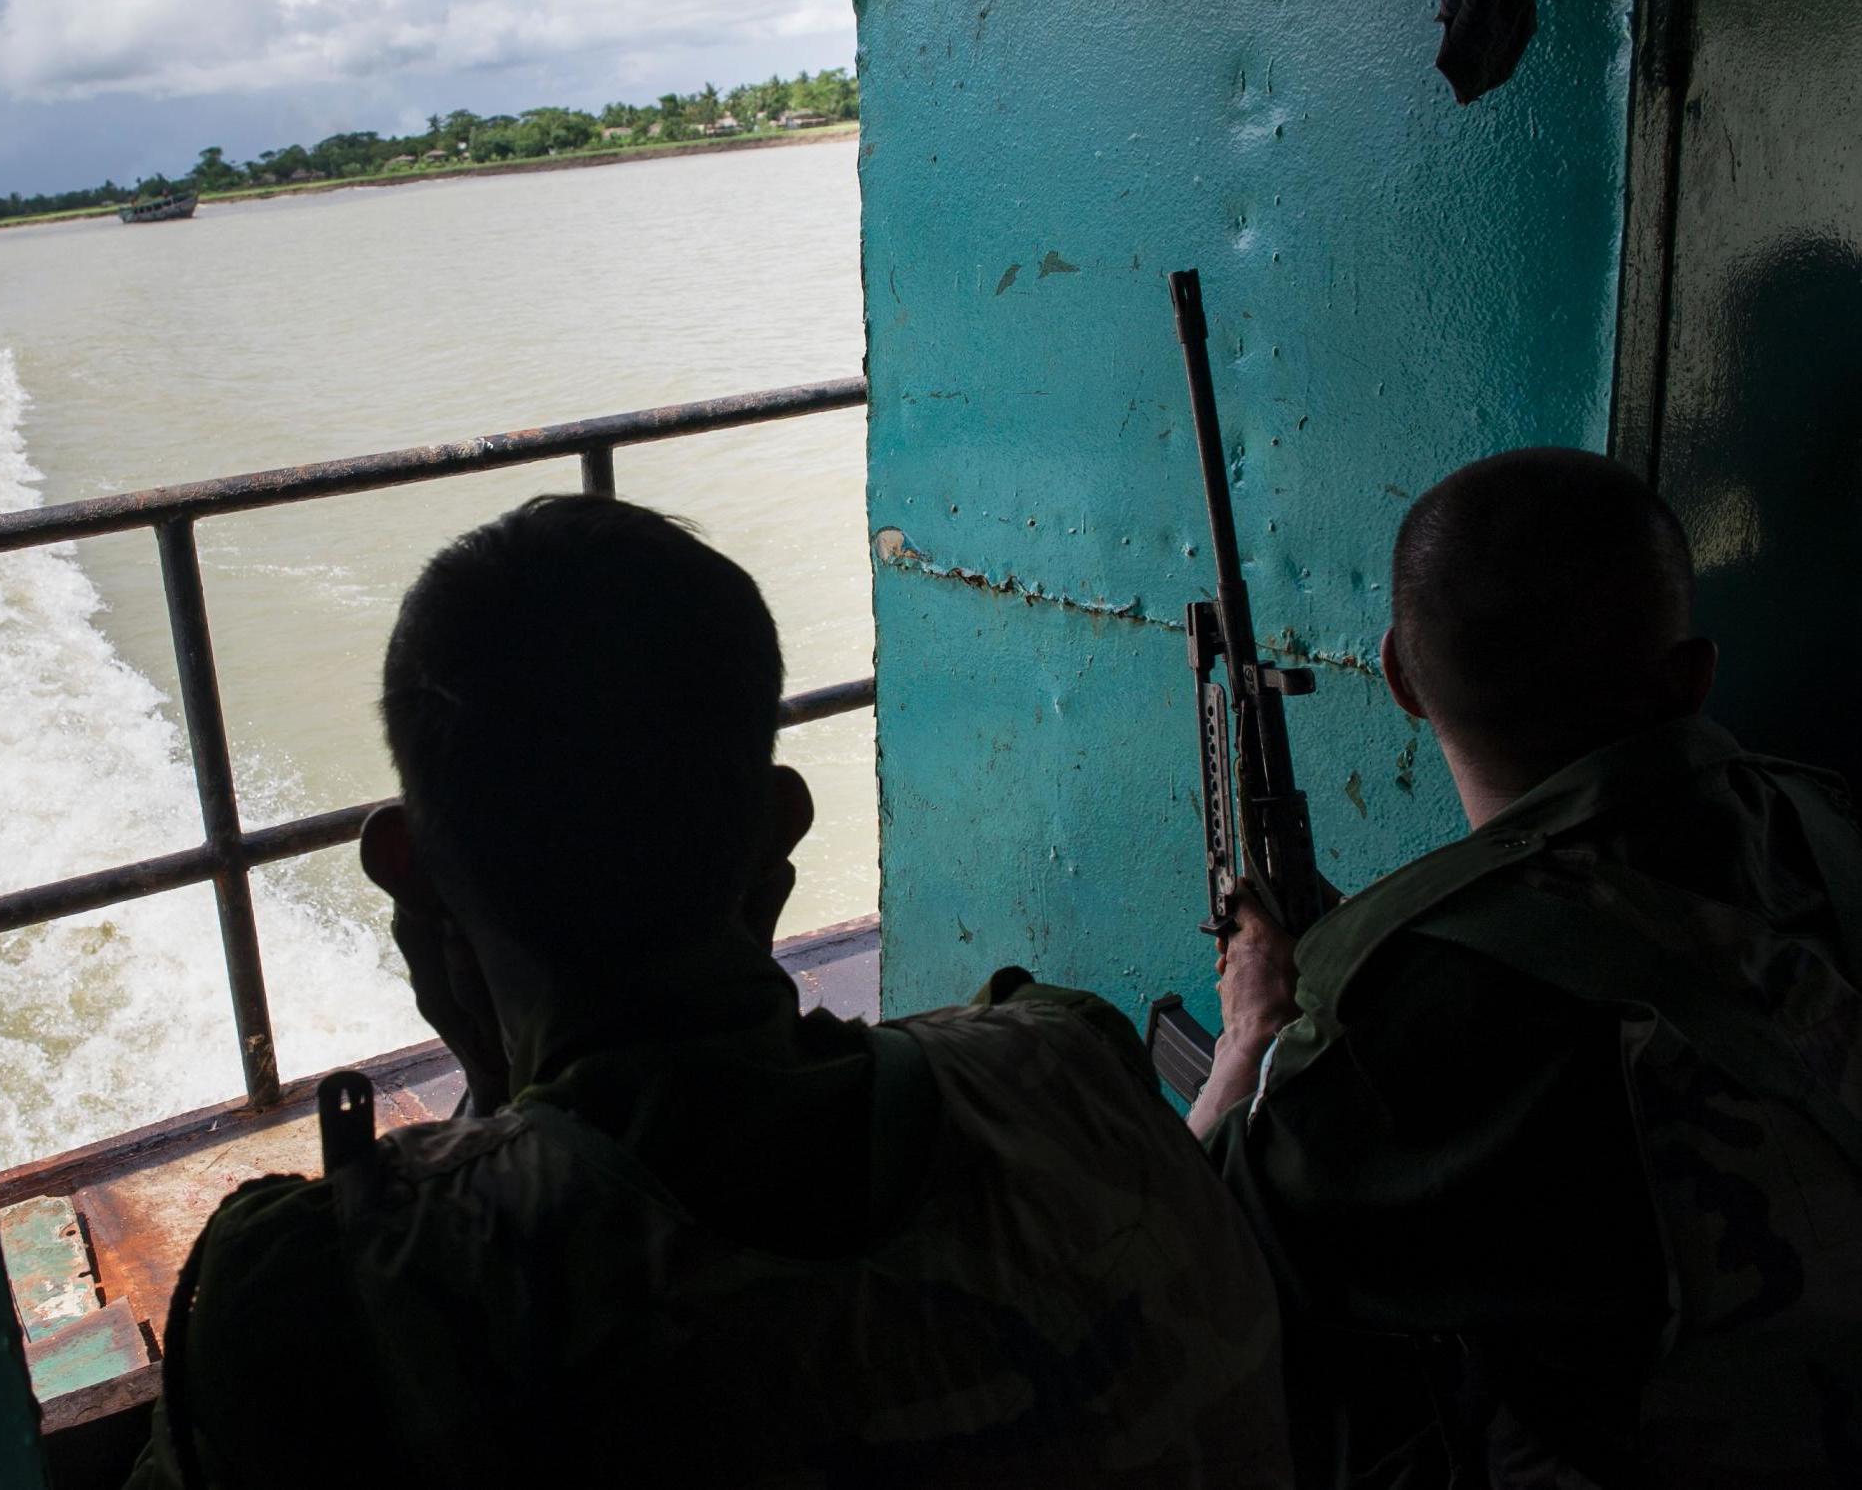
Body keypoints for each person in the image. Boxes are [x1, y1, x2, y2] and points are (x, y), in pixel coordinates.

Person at [128, 494, 1288, 1489]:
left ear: (408, 868)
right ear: (780, 826)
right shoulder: (1066, 1063)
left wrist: (497, 1105)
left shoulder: (328, 1293)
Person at [1189, 448, 1862, 1488]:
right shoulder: (1827, 821)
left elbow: (1194, 1252)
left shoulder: (1412, 1000)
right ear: (1692, 675)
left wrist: (1249, 1036)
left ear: (1401, 678)